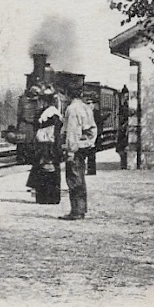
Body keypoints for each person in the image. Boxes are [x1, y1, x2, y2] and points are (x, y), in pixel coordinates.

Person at [62, 85, 97, 220]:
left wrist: (70, 151)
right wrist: (89, 142)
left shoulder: (72, 109)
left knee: (73, 178)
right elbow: (93, 129)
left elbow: (72, 132)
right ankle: (81, 209)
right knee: (80, 178)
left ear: (67, 94)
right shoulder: (86, 108)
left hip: (75, 148)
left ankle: (76, 211)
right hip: (84, 147)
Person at [33, 86, 63, 205]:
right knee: (52, 172)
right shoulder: (54, 113)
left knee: (45, 170)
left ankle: (45, 197)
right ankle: (53, 197)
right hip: (52, 145)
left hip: (47, 146)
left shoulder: (48, 114)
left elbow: (45, 133)